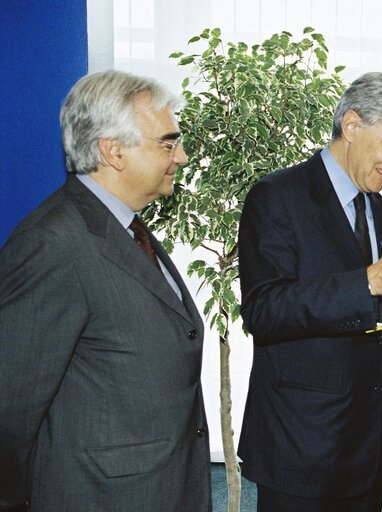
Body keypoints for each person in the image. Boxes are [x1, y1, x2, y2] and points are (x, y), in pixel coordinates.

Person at [237, 71, 382, 512]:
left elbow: (378, 310)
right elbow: (264, 311)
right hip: (300, 446)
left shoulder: (378, 207)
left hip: (367, 444)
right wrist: (368, 281)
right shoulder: (276, 196)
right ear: (352, 125)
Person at [0, 70, 211, 511]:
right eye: (169, 143)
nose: (183, 157)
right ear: (113, 151)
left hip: (163, 486)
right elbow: (11, 402)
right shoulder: (52, 241)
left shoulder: (126, 226)